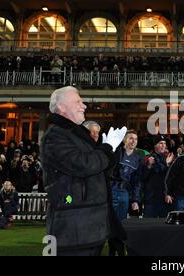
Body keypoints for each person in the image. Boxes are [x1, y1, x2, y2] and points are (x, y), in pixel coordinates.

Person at [40, 86, 127, 256]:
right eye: (78, 101)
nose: (84, 105)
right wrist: (106, 148)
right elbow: (83, 165)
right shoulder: (54, 137)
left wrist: (111, 152)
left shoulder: (76, 135)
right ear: (61, 107)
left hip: (90, 226)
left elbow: (99, 172)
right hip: (73, 230)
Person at [143, 135, 174, 218]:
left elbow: (171, 177)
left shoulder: (169, 157)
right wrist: (166, 163)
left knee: (164, 225)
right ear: (155, 145)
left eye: (164, 143)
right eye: (160, 143)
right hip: (151, 198)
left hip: (164, 197)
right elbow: (156, 170)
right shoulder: (149, 157)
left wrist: (169, 193)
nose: (163, 145)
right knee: (148, 225)